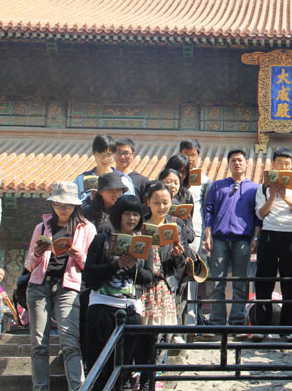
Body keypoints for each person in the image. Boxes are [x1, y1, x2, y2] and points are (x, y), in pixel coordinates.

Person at [24, 182, 96, 391]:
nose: (62, 209)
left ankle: (78, 388)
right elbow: (28, 265)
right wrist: (38, 254)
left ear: (75, 205)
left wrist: (78, 255)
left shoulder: (87, 229)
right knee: (39, 345)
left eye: (67, 205)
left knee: (70, 343)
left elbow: (91, 266)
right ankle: (40, 388)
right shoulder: (41, 227)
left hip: (68, 288)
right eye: (58, 204)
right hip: (39, 286)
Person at [83, 195, 154, 390]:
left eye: (136, 214)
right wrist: (115, 265)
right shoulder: (101, 240)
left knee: (123, 367)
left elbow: (148, 277)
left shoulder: (143, 244)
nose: (132, 218)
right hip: (102, 307)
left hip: (130, 310)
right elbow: (88, 273)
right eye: (127, 214)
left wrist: (132, 268)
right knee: (99, 365)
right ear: (118, 215)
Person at [136, 182, 200, 390]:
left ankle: (155, 377)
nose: (161, 207)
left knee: (161, 335)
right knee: (143, 335)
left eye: (165, 202)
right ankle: (142, 376)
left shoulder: (176, 226)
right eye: (157, 202)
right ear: (148, 202)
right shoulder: (139, 226)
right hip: (143, 287)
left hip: (164, 287)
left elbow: (180, 268)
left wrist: (178, 255)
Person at [254, 148, 292, 341]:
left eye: (287, 164)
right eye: (279, 163)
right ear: (273, 165)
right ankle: (262, 327)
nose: (283, 167)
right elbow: (260, 214)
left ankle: (287, 327)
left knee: (290, 282)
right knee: (264, 280)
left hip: (291, 234)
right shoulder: (262, 187)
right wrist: (272, 196)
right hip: (269, 233)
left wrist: (285, 196)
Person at [203, 149, 260, 334]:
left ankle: (237, 322)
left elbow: (258, 216)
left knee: (240, 283)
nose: (237, 163)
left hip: (242, 239)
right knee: (216, 282)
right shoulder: (217, 186)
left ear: (246, 163)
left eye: (240, 160)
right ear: (228, 163)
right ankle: (216, 322)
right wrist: (208, 234)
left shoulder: (254, 188)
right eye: (233, 160)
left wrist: (255, 237)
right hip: (219, 239)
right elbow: (209, 210)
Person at [179, 139, 211, 326]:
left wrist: (207, 235)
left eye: (193, 155)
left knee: (192, 276)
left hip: (195, 233)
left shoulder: (205, 181)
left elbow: (207, 210)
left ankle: (190, 322)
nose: (189, 159)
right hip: (174, 232)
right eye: (186, 154)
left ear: (199, 156)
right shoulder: (172, 179)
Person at [74, 134, 135, 200]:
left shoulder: (123, 179)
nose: (104, 158)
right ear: (94, 153)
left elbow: (130, 204)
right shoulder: (81, 179)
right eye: (100, 154)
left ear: (114, 154)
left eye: (108, 155)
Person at [158, 168, 195, 244]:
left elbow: (190, 236)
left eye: (176, 183)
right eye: (168, 182)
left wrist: (183, 225)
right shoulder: (153, 203)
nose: (173, 186)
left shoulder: (182, 206)